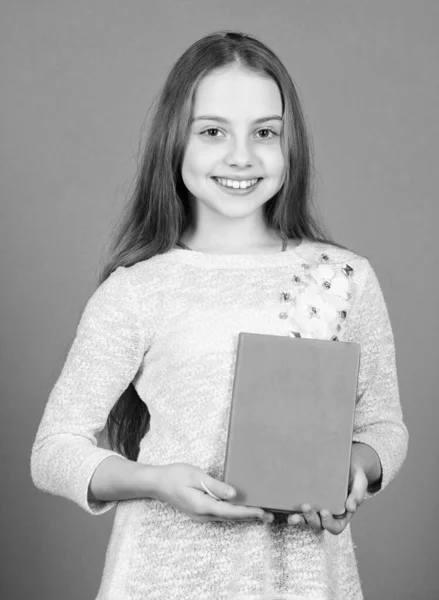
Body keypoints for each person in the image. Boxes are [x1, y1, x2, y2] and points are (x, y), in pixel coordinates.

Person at [30, 30, 409, 600]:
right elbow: (53, 451)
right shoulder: (138, 289)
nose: (241, 156)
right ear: (174, 144)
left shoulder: (346, 278)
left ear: (290, 145)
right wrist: (156, 483)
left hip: (303, 581)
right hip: (160, 578)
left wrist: (356, 469)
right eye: (212, 132)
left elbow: (384, 426)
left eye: (264, 133)